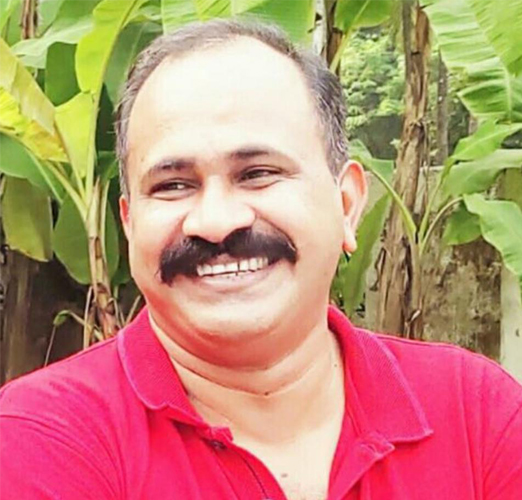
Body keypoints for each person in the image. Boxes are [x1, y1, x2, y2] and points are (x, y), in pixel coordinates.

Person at [1, 19, 521, 500]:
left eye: (258, 174)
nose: (215, 222)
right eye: (173, 185)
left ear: (345, 205)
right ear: (130, 222)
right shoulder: (41, 440)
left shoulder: (474, 415)